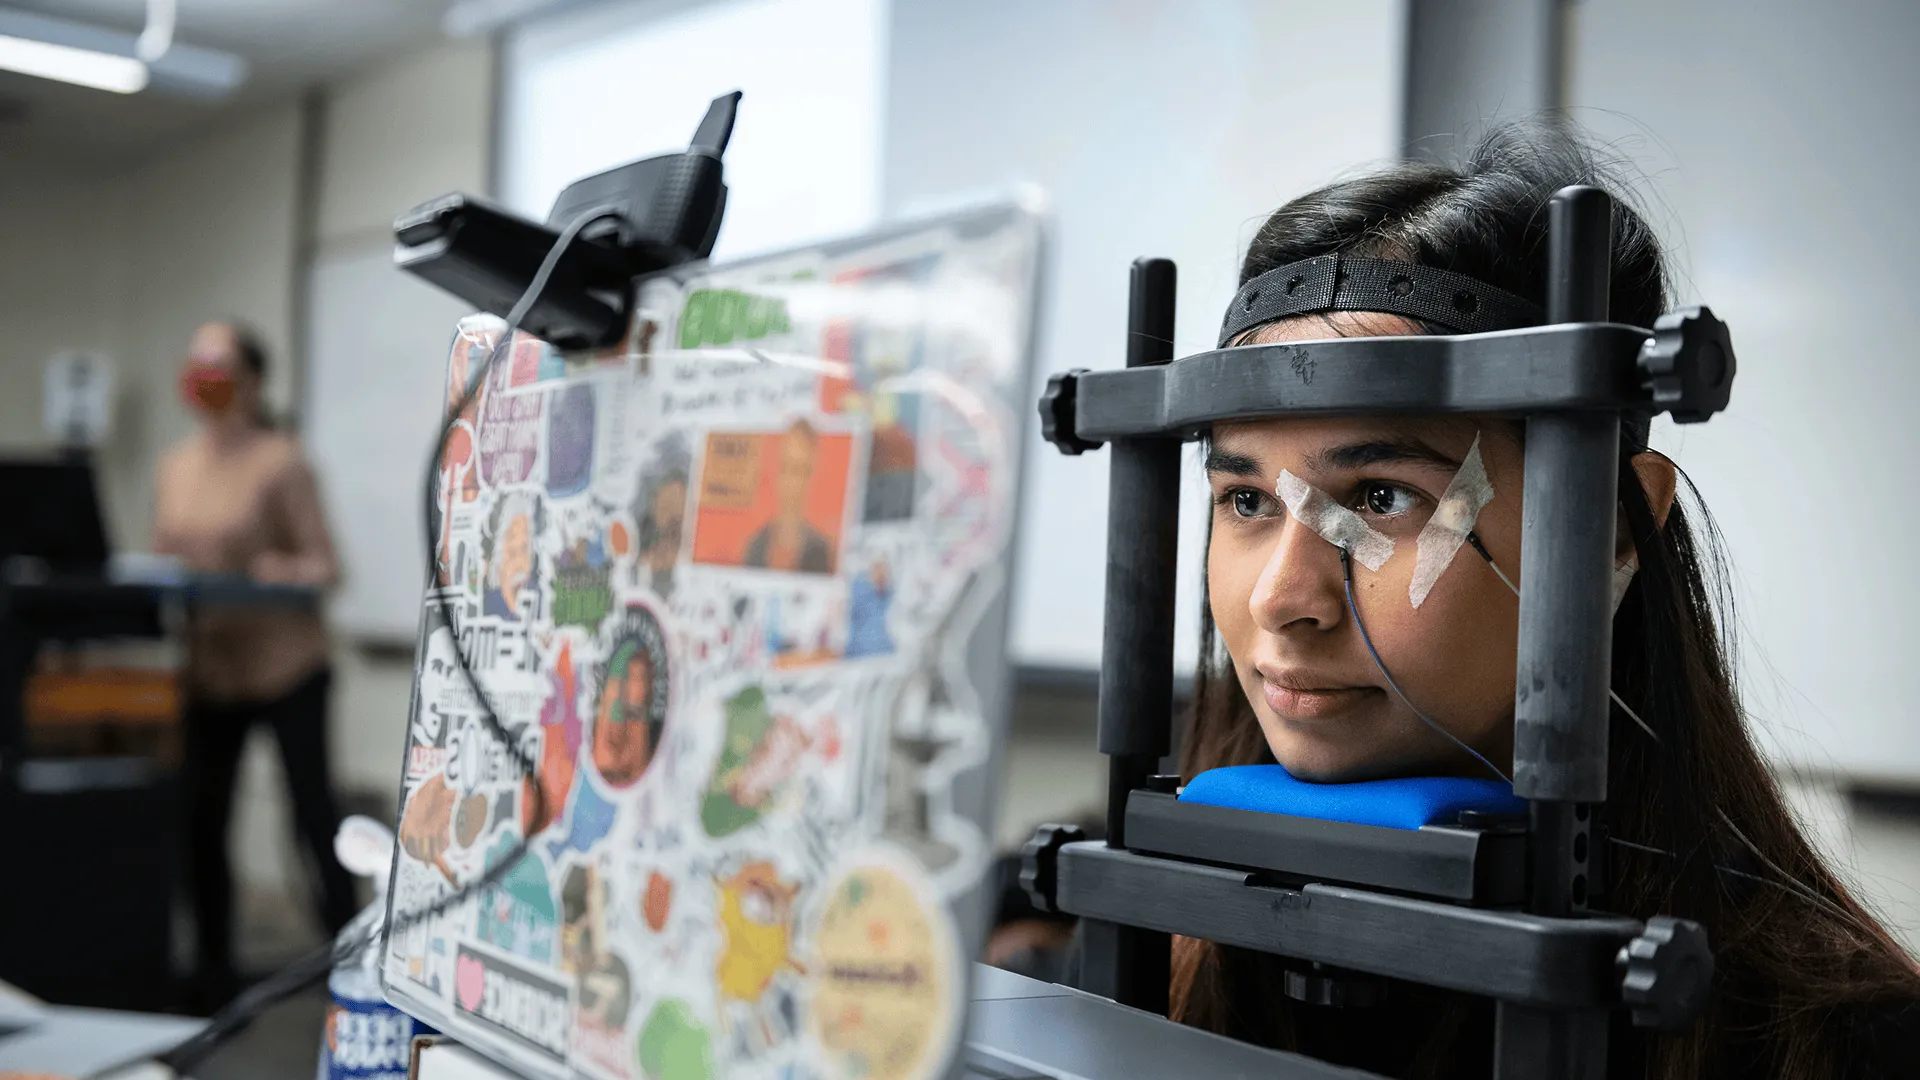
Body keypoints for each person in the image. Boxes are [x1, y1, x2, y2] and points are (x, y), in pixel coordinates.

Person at [1151, 125, 1920, 1078]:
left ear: (1613, 530)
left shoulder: (1832, 1047)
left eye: (1382, 498)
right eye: (1248, 501)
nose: (1281, 599)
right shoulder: (1138, 923)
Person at [152, 320, 355, 1009]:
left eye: (218, 360)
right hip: (212, 668)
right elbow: (161, 557)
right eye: (196, 357)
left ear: (252, 379)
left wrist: (280, 570)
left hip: (286, 667)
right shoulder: (176, 465)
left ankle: (354, 968)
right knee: (200, 820)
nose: (203, 371)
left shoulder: (282, 462)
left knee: (310, 814)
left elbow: (326, 566)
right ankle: (210, 973)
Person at [743, 420, 834, 573]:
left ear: (810, 476)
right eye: (785, 468)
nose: (791, 482)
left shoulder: (821, 550)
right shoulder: (755, 546)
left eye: (799, 470)